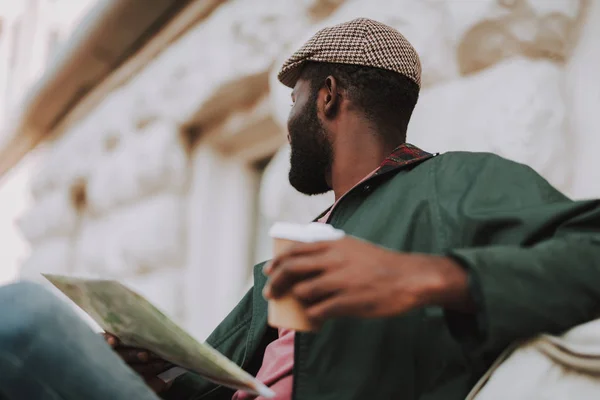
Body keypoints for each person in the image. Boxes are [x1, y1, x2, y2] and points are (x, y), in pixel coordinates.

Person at [1, 17, 599, 400]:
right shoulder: (294, 254)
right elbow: (220, 383)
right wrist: (156, 372)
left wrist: (420, 277)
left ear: (329, 96)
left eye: (295, 99)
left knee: (19, 316)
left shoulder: (455, 184)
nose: (287, 123)